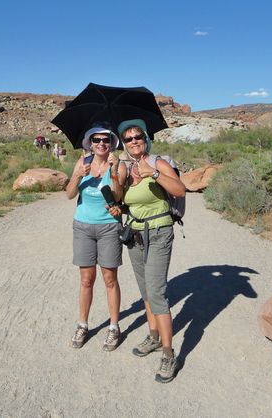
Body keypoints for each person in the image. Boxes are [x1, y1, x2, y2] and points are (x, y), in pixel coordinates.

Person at [116, 118, 186, 383]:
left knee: (157, 294)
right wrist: (118, 192)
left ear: (145, 139)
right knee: (146, 291)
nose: (134, 141)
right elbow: (125, 203)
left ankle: (169, 354)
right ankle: (154, 337)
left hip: (158, 233)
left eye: (138, 137)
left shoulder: (158, 162)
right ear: (124, 144)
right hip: (135, 234)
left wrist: (153, 174)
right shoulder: (124, 167)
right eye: (129, 138)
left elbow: (180, 189)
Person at [66, 124, 123, 351]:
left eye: (106, 140)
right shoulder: (83, 163)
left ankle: (114, 327)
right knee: (86, 280)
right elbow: (70, 194)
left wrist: (116, 171)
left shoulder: (117, 165)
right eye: (97, 140)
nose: (101, 143)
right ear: (90, 143)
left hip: (108, 227)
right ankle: (83, 324)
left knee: (110, 279)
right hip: (83, 227)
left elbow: (118, 196)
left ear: (111, 143)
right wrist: (78, 175)